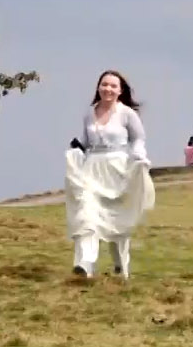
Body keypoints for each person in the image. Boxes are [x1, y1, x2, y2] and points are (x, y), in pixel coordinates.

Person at [65, 70, 155, 278]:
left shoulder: (127, 114)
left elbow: (138, 138)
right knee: (86, 213)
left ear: (120, 90)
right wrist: (76, 149)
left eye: (113, 86)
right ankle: (85, 264)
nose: (108, 89)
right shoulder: (89, 114)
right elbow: (86, 141)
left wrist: (139, 156)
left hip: (117, 169)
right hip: (92, 169)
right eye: (104, 84)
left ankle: (121, 266)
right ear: (98, 87)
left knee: (116, 220)